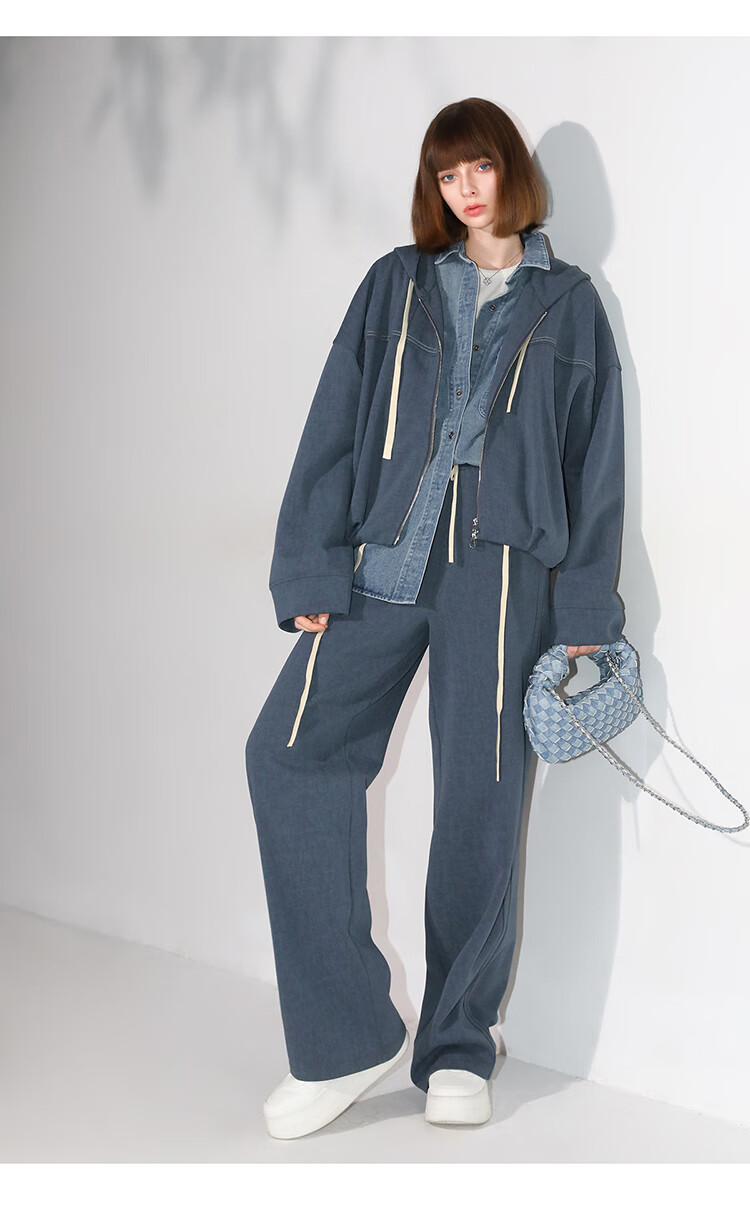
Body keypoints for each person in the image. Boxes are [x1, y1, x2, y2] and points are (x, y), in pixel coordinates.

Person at [245, 96, 625, 1139]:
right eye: (447, 173)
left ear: (510, 172)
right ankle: (345, 1034)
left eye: (480, 167)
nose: (465, 189)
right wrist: (311, 565)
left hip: (502, 573)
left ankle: (457, 1043)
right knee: (287, 754)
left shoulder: (571, 304)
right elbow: (332, 422)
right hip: (384, 556)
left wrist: (584, 606)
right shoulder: (396, 283)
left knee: (479, 802)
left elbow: (595, 468)